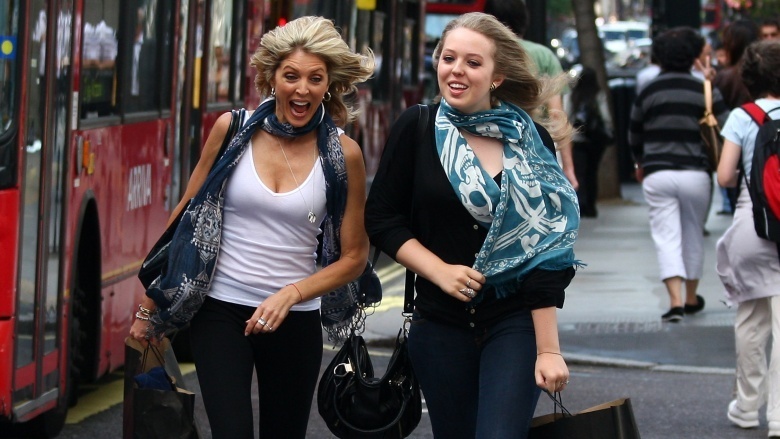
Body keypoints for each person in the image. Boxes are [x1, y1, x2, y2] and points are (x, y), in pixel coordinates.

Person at [129, 16, 374, 439]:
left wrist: (292, 294)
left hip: (294, 319)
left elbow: (354, 258)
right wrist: (150, 308)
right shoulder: (231, 130)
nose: (302, 89)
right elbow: (186, 217)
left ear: (329, 84)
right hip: (220, 310)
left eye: (315, 79)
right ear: (272, 77)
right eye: (291, 76)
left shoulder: (344, 155)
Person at [366, 12, 579, 438]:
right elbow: (382, 218)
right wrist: (438, 271)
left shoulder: (529, 138)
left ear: (497, 76)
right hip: (439, 324)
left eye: (473, 62)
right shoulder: (417, 127)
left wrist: (549, 350)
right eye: (448, 58)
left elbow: (548, 248)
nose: (456, 70)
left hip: (513, 322)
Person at [628, 26, 729, 322]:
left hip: (658, 172)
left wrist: (639, 163)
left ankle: (674, 302)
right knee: (693, 232)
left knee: (666, 235)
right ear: (693, 56)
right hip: (696, 172)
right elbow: (724, 127)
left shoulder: (648, 90)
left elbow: (634, 133)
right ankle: (691, 296)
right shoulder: (706, 90)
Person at [715, 39, 780, 438]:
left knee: (752, 318)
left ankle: (745, 407)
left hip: (752, 226)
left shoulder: (743, 115)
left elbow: (724, 176)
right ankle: (779, 415)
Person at [485, 0, 579, 191]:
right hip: (538, 147)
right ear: (524, 20)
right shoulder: (544, 56)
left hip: (490, 143)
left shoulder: (485, 54)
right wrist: (568, 168)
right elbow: (556, 115)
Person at [566, 66, 613, 217]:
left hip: (577, 138)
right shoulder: (598, 94)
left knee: (579, 172)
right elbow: (605, 116)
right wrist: (608, 130)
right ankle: (591, 205)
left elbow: (566, 116)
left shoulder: (573, 95)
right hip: (595, 140)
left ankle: (581, 203)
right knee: (592, 172)